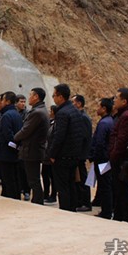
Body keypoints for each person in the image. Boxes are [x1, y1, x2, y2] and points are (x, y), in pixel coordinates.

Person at [48, 84, 84, 212]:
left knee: (62, 187)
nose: (53, 98)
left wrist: (52, 154)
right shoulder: (75, 111)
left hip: (63, 156)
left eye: (54, 95)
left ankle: (65, 211)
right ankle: (72, 209)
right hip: (73, 155)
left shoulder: (62, 113)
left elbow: (59, 136)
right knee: (71, 184)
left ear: (60, 97)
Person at [109, 87, 128, 224]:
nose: (114, 100)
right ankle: (119, 216)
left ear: (124, 101)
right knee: (120, 190)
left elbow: (121, 140)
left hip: (121, 160)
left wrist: (113, 155)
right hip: (121, 158)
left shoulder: (127, 117)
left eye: (116, 98)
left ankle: (127, 218)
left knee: (122, 190)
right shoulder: (126, 114)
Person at [14, 88, 49, 204]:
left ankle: (38, 201)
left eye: (30, 95)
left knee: (33, 179)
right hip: (33, 149)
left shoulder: (37, 112)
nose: (28, 98)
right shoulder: (40, 110)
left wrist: (14, 137)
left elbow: (26, 130)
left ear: (36, 97)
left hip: (32, 150)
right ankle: (37, 199)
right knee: (34, 179)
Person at [0, 91, 23, 199]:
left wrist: (12, 146)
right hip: (13, 153)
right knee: (13, 179)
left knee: (8, 181)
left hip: (6, 154)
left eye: (2, 100)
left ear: (7, 101)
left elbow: (7, 136)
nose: (0, 102)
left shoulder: (6, 115)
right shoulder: (16, 114)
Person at [89, 97, 114, 219]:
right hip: (106, 159)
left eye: (99, 106)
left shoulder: (104, 123)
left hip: (102, 160)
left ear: (104, 109)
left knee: (104, 185)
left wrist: (94, 156)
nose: (96, 108)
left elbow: (99, 143)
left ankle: (106, 211)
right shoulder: (110, 121)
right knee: (106, 185)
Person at [72, 94, 93, 212]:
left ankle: (85, 202)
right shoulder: (79, 116)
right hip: (78, 154)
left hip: (80, 155)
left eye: (73, 102)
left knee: (82, 180)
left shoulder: (83, 118)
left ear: (79, 104)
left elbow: (83, 137)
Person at [15, 93, 30, 199]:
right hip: (14, 144)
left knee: (25, 170)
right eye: (21, 101)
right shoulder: (14, 113)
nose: (23, 104)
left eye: (24, 101)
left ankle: (27, 190)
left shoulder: (27, 114)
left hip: (23, 144)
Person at [43, 105, 58, 204]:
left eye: (50, 110)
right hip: (46, 154)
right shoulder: (49, 122)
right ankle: (46, 194)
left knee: (53, 177)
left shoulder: (56, 124)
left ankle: (53, 195)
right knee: (45, 175)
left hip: (51, 155)